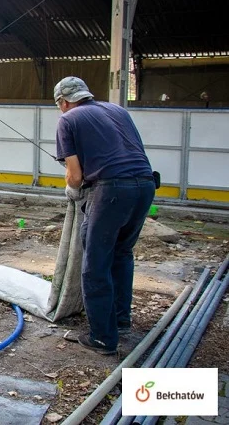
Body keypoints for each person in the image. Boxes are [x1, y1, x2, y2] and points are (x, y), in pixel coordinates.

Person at [54, 76, 155, 355]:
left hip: (111, 192)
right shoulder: (118, 110)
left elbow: (75, 174)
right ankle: (121, 321)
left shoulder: (68, 119)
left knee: (96, 264)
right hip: (145, 186)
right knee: (122, 254)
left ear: (63, 102)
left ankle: (102, 337)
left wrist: (72, 190)